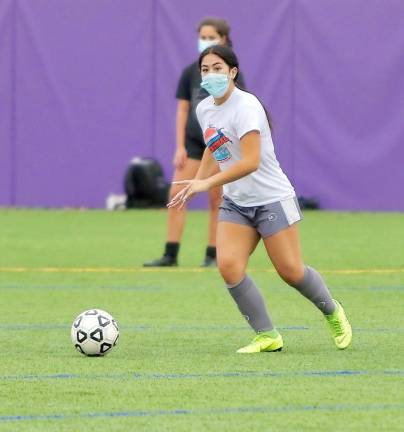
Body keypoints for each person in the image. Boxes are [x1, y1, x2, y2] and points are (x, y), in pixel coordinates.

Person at [168, 45, 352, 353]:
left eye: (217, 68)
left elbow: (250, 162)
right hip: (237, 203)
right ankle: (267, 335)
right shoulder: (204, 109)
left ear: (232, 72)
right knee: (228, 266)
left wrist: (208, 183)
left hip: (271, 200)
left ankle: (332, 311)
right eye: (205, 69)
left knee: (291, 272)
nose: (210, 74)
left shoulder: (247, 106)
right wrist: (199, 180)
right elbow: (217, 148)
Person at [144, 17, 245, 267]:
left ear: (223, 38)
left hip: (219, 145)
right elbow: (182, 110)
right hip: (192, 144)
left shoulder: (231, 73)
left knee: (217, 198)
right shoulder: (190, 72)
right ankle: (170, 253)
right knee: (178, 193)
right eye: (203, 36)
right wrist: (179, 146)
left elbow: (238, 111)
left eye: (211, 37)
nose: (206, 41)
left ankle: (213, 254)